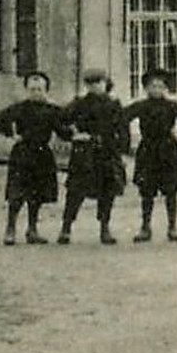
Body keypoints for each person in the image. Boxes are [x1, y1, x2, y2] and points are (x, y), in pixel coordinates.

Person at [0, 71, 71, 246]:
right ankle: (10, 229)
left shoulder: (52, 110)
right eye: (32, 89)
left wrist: (74, 135)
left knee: (37, 194)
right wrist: (10, 134)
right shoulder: (20, 108)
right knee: (17, 193)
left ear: (46, 90)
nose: (36, 92)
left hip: (42, 154)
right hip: (22, 153)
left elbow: (63, 131)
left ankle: (32, 230)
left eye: (40, 89)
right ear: (27, 90)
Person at [123, 68, 177, 243]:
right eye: (152, 86)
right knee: (147, 191)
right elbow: (122, 118)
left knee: (171, 191)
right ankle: (145, 227)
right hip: (148, 150)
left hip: (168, 150)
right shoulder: (141, 106)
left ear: (165, 88)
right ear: (146, 88)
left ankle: (172, 227)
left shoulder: (171, 106)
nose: (156, 89)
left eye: (160, 86)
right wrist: (127, 142)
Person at [58, 68, 129, 246]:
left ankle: (105, 228)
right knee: (76, 191)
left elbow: (123, 129)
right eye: (90, 83)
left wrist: (122, 151)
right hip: (84, 153)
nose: (95, 86)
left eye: (98, 82)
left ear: (106, 83)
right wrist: (72, 134)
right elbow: (60, 120)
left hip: (107, 152)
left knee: (107, 190)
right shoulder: (79, 103)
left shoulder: (114, 104)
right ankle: (66, 228)